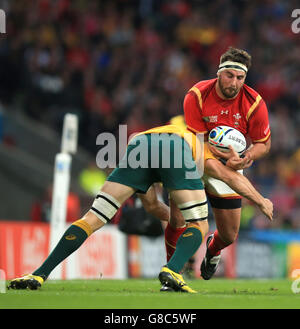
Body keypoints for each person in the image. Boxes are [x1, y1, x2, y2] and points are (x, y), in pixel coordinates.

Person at [8, 124, 273, 293]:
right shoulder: (208, 155)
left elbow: (152, 205)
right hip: (175, 150)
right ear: (226, 151)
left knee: (93, 218)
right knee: (201, 224)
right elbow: (232, 179)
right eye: (235, 159)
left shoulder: (186, 133)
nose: (235, 164)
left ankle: (39, 274)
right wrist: (261, 201)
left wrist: (174, 218)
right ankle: (172, 270)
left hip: (139, 144)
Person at [181, 46, 271, 279]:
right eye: (229, 75)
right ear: (219, 73)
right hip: (197, 160)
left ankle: (213, 250)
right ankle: (178, 266)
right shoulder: (197, 95)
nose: (234, 82)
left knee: (229, 235)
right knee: (182, 217)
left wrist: (246, 156)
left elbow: (263, 144)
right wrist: (224, 160)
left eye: (240, 77)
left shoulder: (254, 102)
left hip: (232, 164)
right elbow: (198, 144)